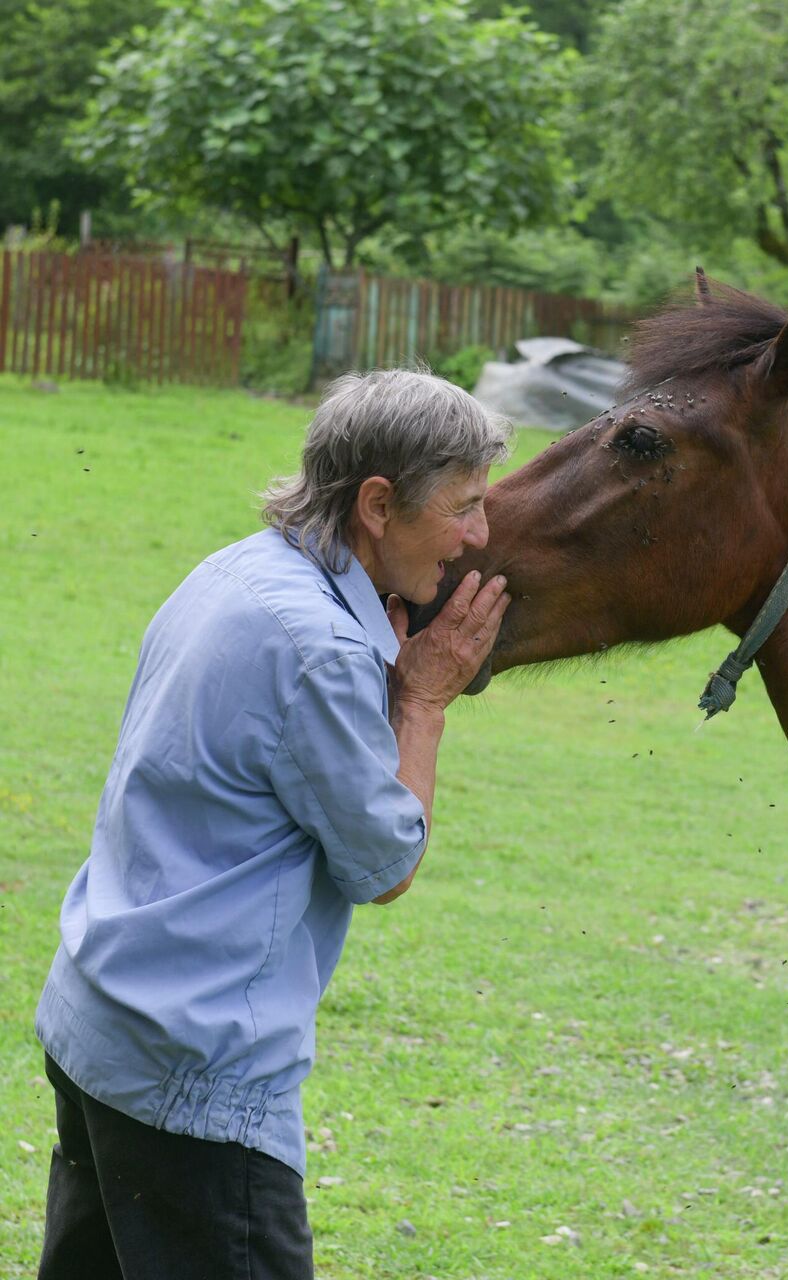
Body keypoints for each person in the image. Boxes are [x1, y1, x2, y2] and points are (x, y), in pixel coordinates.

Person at [34, 369, 512, 1279]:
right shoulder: (321, 650)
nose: (478, 537)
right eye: (463, 507)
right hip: (191, 1079)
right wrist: (423, 701)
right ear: (378, 503)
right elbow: (386, 862)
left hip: (99, 1019)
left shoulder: (236, 569)